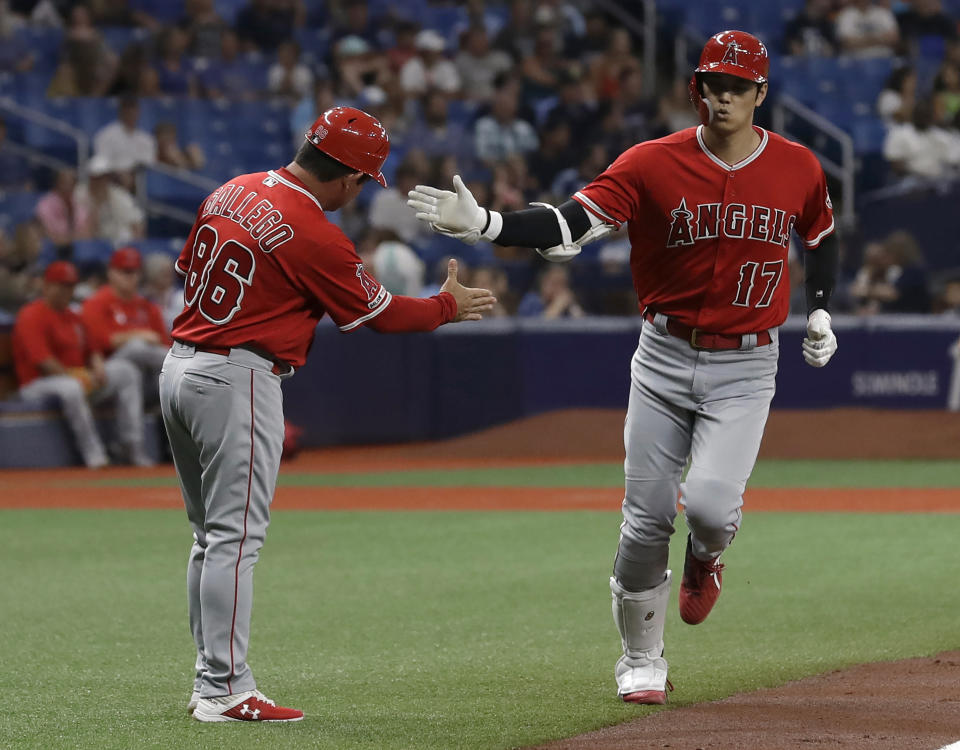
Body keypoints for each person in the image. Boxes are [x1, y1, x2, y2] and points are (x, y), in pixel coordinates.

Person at [408, 30, 839, 704]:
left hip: (747, 365)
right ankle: (641, 660)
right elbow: (570, 223)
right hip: (664, 358)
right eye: (711, 84)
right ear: (696, 88)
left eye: (736, 86)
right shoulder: (649, 162)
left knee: (711, 509)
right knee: (644, 520)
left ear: (760, 93)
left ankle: (707, 558)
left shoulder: (799, 166)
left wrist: (819, 310)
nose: (721, 96)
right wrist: (490, 224)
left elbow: (819, 236)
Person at [161, 106, 495, 723]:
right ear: (345, 175)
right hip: (239, 376)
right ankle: (223, 690)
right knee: (234, 541)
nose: (360, 190)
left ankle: (211, 680)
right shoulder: (312, 228)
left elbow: (189, 271)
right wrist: (446, 305)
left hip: (181, 366)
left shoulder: (232, 189)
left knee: (210, 539)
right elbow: (381, 317)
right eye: (363, 179)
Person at [12, 261, 151, 468]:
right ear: (47, 286)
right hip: (38, 384)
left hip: (77, 378)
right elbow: (43, 362)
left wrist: (97, 367)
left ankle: (131, 446)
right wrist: (78, 376)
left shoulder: (73, 316)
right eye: (61, 285)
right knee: (72, 388)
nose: (67, 291)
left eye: (70, 286)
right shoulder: (31, 314)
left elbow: (92, 349)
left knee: (126, 371)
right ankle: (95, 456)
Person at [81, 246, 170, 400]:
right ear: (111, 272)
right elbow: (101, 342)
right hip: (108, 370)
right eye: (125, 272)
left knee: (168, 379)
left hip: (147, 376)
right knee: (137, 347)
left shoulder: (148, 307)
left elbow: (163, 342)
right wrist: (139, 335)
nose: (131, 277)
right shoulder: (96, 302)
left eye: (135, 272)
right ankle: (183, 366)